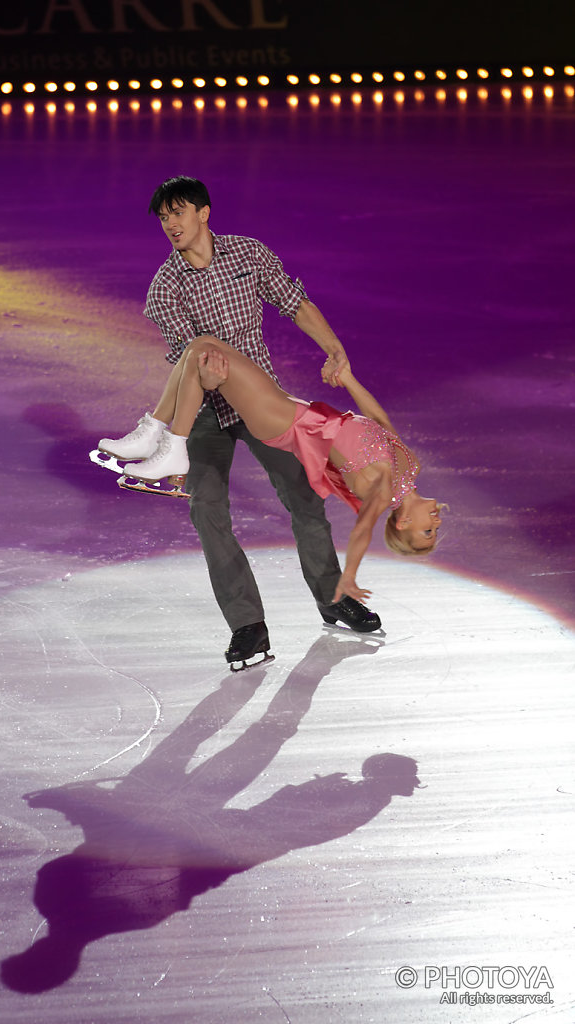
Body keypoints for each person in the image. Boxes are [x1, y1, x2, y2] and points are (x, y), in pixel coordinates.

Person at [100, 175, 380, 669]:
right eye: (163, 218)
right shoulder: (165, 286)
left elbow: (294, 302)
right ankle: (247, 626)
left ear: (204, 213)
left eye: (178, 213)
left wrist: (334, 347)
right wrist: (206, 376)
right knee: (208, 511)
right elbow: (185, 360)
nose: (170, 224)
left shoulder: (248, 255)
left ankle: (332, 598)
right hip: (204, 411)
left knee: (304, 497)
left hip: (261, 402)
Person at [108, 336, 444, 608]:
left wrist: (350, 576)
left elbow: (361, 533)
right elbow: (381, 422)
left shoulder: (381, 492)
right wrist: (348, 380)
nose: (436, 524)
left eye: (427, 532)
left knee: (203, 353)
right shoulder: (409, 467)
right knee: (201, 346)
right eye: (434, 531)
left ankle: (171, 448)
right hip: (296, 407)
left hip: (287, 422)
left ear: (404, 523)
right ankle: (153, 434)